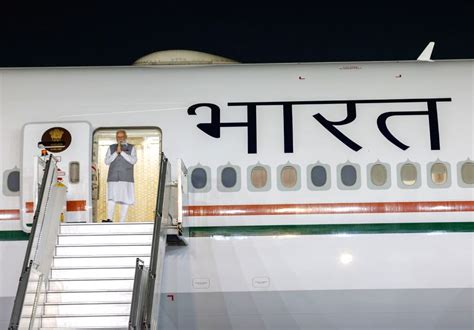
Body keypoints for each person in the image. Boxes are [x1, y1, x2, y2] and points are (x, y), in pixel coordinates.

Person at [102, 130, 137, 223]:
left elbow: (133, 161)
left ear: (125, 137)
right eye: (118, 137)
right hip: (113, 177)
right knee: (111, 197)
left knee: (125, 199)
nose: (120, 139)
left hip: (126, 177)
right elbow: (107, 161)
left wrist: (122, 152)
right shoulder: (111, 147)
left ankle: (122, 221)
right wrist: (116, 152)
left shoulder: (131, 147)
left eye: (121, 137)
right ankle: (109, 219)